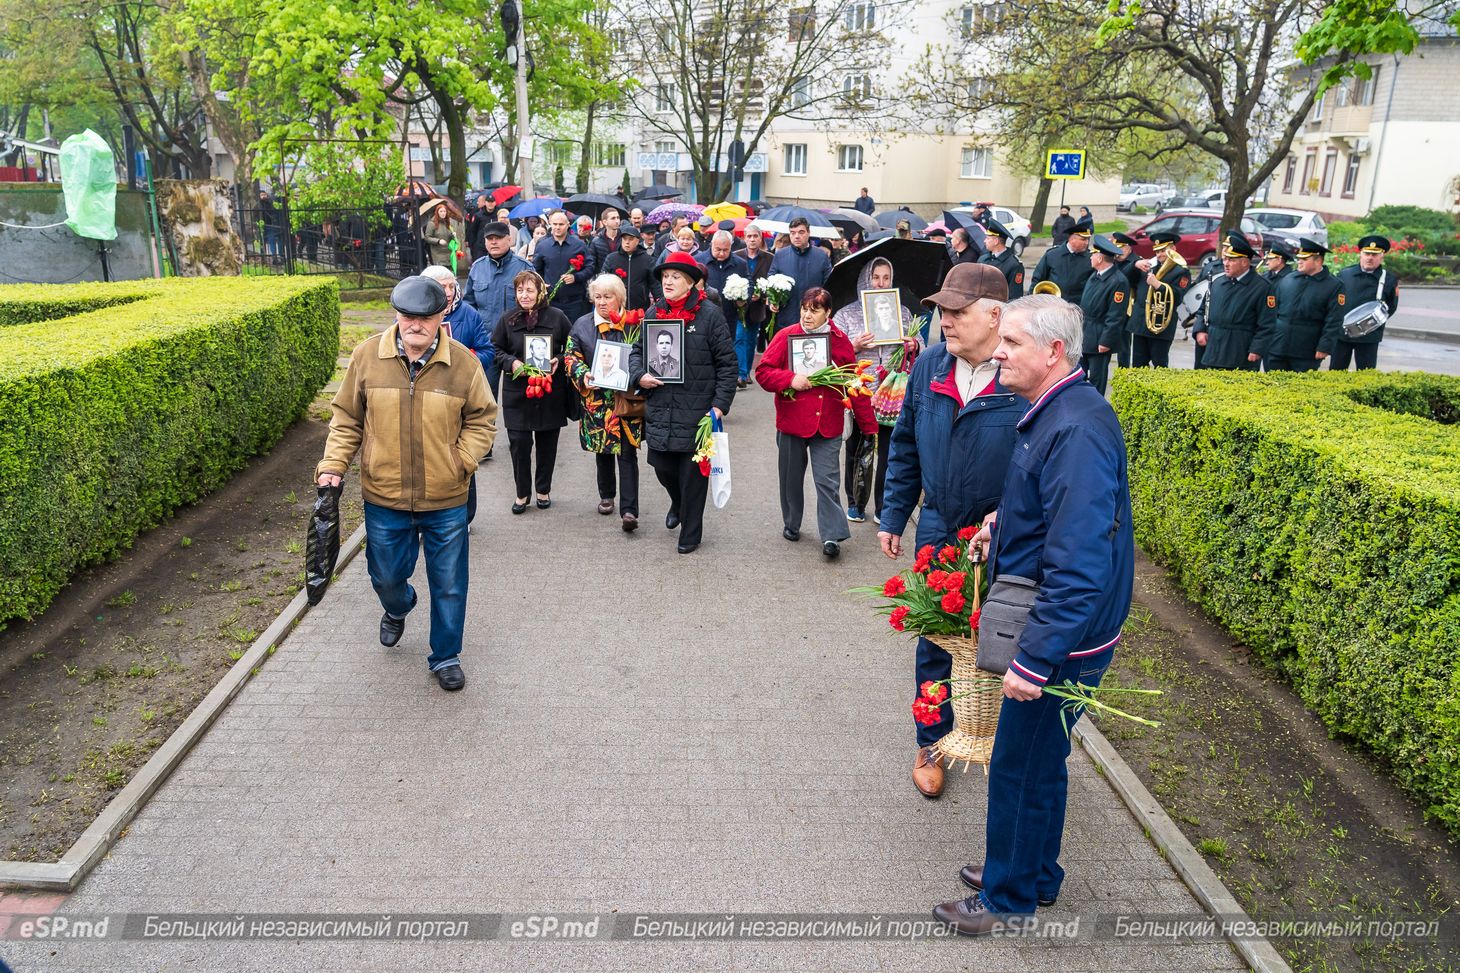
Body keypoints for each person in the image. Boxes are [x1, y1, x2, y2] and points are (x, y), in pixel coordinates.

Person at [932, 293, 1133, 936]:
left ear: (1052, 352)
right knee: (1042, 759)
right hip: (1067, 628)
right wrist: (1003, 522)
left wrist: (1035, 657)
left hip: (1062, 636)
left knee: (1019, 763)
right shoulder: (1058, 410)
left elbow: (1078, 564)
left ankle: (1007, 896)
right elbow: (1054, 511)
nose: (999, 352)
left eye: (1013, 344)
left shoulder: (1072, 426)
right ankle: (1034, 872)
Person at [877, 263, 1023, 799]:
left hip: (1001, 530)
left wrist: (1007, 518)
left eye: (957, 312)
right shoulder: (932, 363)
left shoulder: (1020, 374)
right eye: (942, 310)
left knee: (1001, 635)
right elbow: (907, 443)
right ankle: (931, 741)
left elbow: (1042, 463)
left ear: (995, 316)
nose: (946, 321)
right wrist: (895, 514)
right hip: (939, 523)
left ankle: (997, 740)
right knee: (935, 636)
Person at [316, 276, 497, 692]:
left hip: (446, 497)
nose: (416, 325)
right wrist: (333, 465)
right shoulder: (366, 357)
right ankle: (398, 606)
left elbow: (483, 419)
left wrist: (461, 461)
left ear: (440, 317)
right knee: (386, 576)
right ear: (397, 315)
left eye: (426, 318)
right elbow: (346, 418)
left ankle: (445, 655)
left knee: (450, 582)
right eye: (408, 316)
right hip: (385, 495)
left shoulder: (464, 364)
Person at [627, 251, 738, 555]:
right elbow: (636, 352)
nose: (668, 282)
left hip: (698, 410)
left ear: (690, 283)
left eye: (675, 277)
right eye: (665, 277)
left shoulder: (711, 315)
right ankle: (677, 503)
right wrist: (639, 375)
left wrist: (719, 405)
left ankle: (691, 532)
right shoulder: (654, 312)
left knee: (693, 476)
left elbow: (728, 364)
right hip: (661, 406)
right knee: (661, 466)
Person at [755, 287, 876, 559]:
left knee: (827, 481)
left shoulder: (840, 341)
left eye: (815, 310)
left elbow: (854, 381)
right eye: (804, 309)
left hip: (828, 423)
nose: (807, 315)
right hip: (792, 422)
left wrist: (868, 426)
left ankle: (832, 535)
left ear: (828, 313)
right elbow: (763, 372)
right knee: (790, 479)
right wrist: (789, 380)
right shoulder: (786, 336)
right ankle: (792, 522)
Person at [835, 256, 920, 524]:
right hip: (861, 389)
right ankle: (856, 503)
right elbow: (833, 350)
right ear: (865, 279)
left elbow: (919, 344)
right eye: (875, 277)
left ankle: (884, 508)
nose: (880, 283)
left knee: (889, 452)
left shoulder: (902, 312)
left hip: (892, 394)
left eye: (886, 278)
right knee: (858, 449)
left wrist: (913, 345)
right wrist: (854, 345)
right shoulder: (847, 313)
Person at [492, 270, 575, 514]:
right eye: (520, 290)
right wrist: (511, 362)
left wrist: (559, 359)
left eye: (530, 290)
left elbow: (572, 346)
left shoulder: (557, 317)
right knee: (519, 444)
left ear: (540, 292)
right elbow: (495, 349)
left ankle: (543, 489)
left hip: (549, 391)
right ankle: (522, 493)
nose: (524, 295)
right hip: (518, 392)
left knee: (547, 444)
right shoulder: (508, 320)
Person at [566, 274, 644, 531]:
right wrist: (582, 374)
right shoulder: (582, 325)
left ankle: (630, 510)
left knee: (627, 451)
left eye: (607, 297)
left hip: (626, 400)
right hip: (597, 401)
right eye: (597, 297)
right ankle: (606, 495)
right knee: (602, 450)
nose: (602, 302)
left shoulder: (635, 324)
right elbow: (571, 356)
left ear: (620, 298)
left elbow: (644, 354)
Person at [463, 220, 532, 405]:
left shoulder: (524, 268)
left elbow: (536, 306)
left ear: (509, 240)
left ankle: (518, 433)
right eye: (489, 238)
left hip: (517, 345)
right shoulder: (477, 268)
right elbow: (468, 305)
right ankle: (486, 434)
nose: (493, 242)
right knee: (484, 400)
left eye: (498, 238)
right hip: (487, 343)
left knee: (521, 400)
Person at [1253, 238, 1344, 372]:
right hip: (1278, 346)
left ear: (1318, 261)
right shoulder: (1289, 279)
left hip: (1306, 349)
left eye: (1304, 259)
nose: (1299, 261)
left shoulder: (1334, 285)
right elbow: (1271, 312)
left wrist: (1324, 346)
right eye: (1299, 258)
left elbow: (1334, 320)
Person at [1193, 230, 1273, 371]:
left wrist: (1257, 349)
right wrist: (1200, 330)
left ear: (1244, 262)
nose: (1226, 263)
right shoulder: (1217, 282)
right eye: (1225, 259)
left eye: (1232, 260)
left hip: (1240, 354)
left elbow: (1267, 324)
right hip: (1213, 351)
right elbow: (1202, 310)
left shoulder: (1262, 287)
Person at [1333, 234, 1399, 370]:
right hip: (1342, 334)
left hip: (1370, 335)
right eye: (1367, 253)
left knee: (1366, 373)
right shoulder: (1345, 274)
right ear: (1361, 254)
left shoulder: (1389, 279)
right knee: (1336, 371)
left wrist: (1373, 324)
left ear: (1382, 256)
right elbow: (1334, 301)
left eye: (1374, 255)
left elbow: (1391, 306)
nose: (1370, 258)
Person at [1125, 232, 1189, 368]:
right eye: (1157, 251)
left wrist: (1159, 286)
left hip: (1161, 327)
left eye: (1163, 251)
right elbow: (1124, 280)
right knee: (1137, 365)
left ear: (1173, 249)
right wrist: (1134, 264)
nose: (1159, 254)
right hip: (1141, 323)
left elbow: (1178, 296)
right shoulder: (1149, 265)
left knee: (1160, 365)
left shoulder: (1181, 271)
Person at [1077, 235, 1130, 396]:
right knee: (1080, 375)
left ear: (1100, 258)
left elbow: (1115, 315)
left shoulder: (1118, 281)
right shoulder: (1095, 275)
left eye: (1093, 254)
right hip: (1086, 333)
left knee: (1097, 379)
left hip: (1100, 337)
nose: (1091, 257)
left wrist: (1106, 341)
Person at [699, 230, 751, 385]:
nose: (721, 253)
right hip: (704, 315)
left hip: (729, 315)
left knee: (727, 350)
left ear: (731, 247)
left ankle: (725, 381)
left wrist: (743, 298)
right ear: (711, 245)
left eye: (725, 250)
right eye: (718, 250)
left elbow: (749, 283)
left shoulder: (740, 263)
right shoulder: (699, 260)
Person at [768, 216, 833, 333]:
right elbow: (770, 280)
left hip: (814, 320)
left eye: (801, 232)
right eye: (792, 233)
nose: (796, 236)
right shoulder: (780, 255)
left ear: (808, 233)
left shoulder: (821, 256)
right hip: (786, 317)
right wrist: (772, 299)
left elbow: (830, 285)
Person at [534, 210, 595, 322]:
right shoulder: (542, 246)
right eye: (555, 224)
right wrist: (541, 283)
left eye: (561, 224)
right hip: (551, 301)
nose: (557, 227)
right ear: (550, 225)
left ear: (568, 225)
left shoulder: (579, 245)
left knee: (573, 335)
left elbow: (590, 267)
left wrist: (576, 277)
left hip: (574, 302)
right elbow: (536, 269)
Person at [1030, 214, 1094, 304]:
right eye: (1083, 239)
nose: (1087, 243)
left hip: (1075, 307)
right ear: (1072, 239)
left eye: (1088, 239)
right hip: (1052, 304)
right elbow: (1038, 279)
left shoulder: (1090, 258)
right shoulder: (1052, 254)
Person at [740, 223, 774, 376]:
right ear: (744, 238)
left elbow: (773, 280)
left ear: (761, 239)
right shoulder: (737, 255)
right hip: (739, 305)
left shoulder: (769, 258)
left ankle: (746, 371)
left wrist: (763, 295)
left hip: (757, 307)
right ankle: (741, 373)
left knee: (751, 341)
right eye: (749, 236)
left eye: (755, 236)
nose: (752, 240)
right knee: (739, 338)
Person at [600, 224, 653, 311]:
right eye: (624, 239)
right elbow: (602, 281)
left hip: (640, 307)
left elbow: (654, 284)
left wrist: (660, 302)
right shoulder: (611, 258)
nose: (627, 242)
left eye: (631, 239)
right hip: (616, 307)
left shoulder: (647, 259)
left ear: (637, 241)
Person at [977, 218, 1025, 301]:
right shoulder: (982, 259)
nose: (984, 241)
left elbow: (1014, 296)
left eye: (988, 238)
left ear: (996, 241)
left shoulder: (1014, 265)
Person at [422, 201, 465, 273]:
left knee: (449, 273)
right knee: (441, 273)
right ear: (437, 212)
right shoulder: (432, 223)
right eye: (441, 211)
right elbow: (427, 237)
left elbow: (451, 238)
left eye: (444, 211)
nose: (443, 213)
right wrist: (438, 241)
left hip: (449, 253)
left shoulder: (448, 223)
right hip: (438, 253)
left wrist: (452, 235)